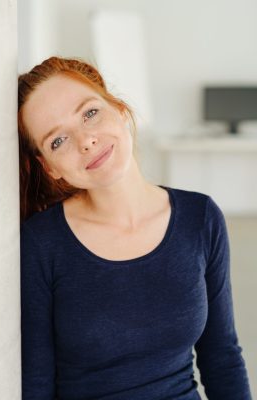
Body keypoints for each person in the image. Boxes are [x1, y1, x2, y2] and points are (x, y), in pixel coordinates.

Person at [18, 56, 252, 400]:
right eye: (58, 141)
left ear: (120, 110)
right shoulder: (41, 243)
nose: (85, 140)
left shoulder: (200, 218)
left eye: (90, 113)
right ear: (49, 167)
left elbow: (222, 359)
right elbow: (35, 386)